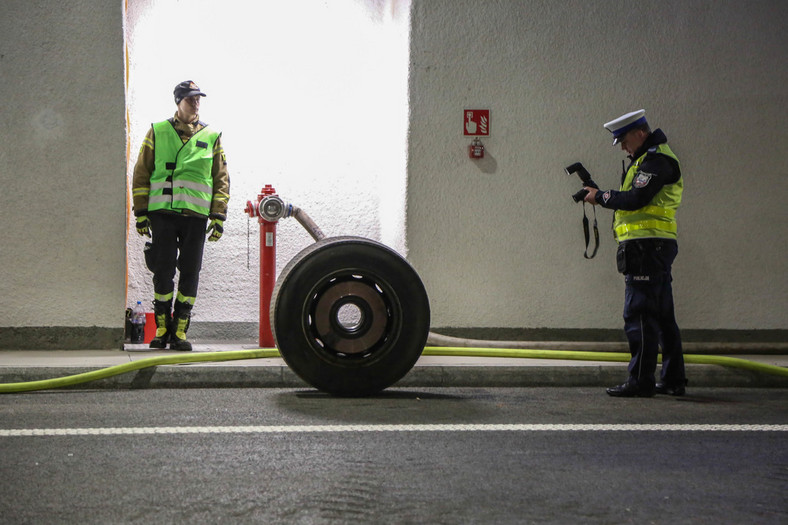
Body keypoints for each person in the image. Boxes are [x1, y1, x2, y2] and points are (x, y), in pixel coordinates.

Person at [583, 109, 687, 397]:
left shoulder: (656, 160)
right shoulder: (647, 159)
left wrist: (602, 196)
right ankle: (673, 379)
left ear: (640, 133)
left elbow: (636, 199)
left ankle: (641, 381)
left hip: (646, 248)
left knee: (639, 313)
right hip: (652, 246)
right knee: (663, 314)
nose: (623, 147)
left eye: (624, 140)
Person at [132, 80, 230, 351]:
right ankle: (162, 328)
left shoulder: (211, 135)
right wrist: (141, 212)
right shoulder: (158, 131)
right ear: (178, 101)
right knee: (162, 271)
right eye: (190, 99)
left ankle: (181, 330)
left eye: (198, 98)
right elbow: (142, 172)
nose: (196, 103)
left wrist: (218, 216)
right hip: (162, 213)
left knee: (190, 272)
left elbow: (220, 178)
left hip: (195, 216)